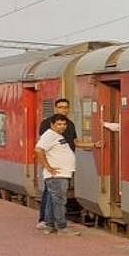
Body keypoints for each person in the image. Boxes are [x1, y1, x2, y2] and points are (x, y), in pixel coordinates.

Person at [35, 98, 93, 230]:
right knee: (52, 196)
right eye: (61, 107)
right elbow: (41, 147)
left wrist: (93, 144)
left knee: (53, 197)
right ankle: (47, 221)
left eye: (66, 107)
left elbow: (75, 142)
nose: (64, 109)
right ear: (56, 108)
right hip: (55, 169)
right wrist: (48, 166)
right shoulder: (48, 126)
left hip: (63, 170)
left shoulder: (69, 125)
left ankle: (49, 223)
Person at [34, 114, 79, 236]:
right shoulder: (49, 135)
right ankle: (62, 227)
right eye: (59, 124)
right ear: (52, 125)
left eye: (64, 124)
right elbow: (38, 150)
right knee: (59, 201)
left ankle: (49, 225)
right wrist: (48, 167)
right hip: (57, 175)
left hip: (60, 174)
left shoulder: (57, 136)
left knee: (52, 201)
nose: (62, 126)